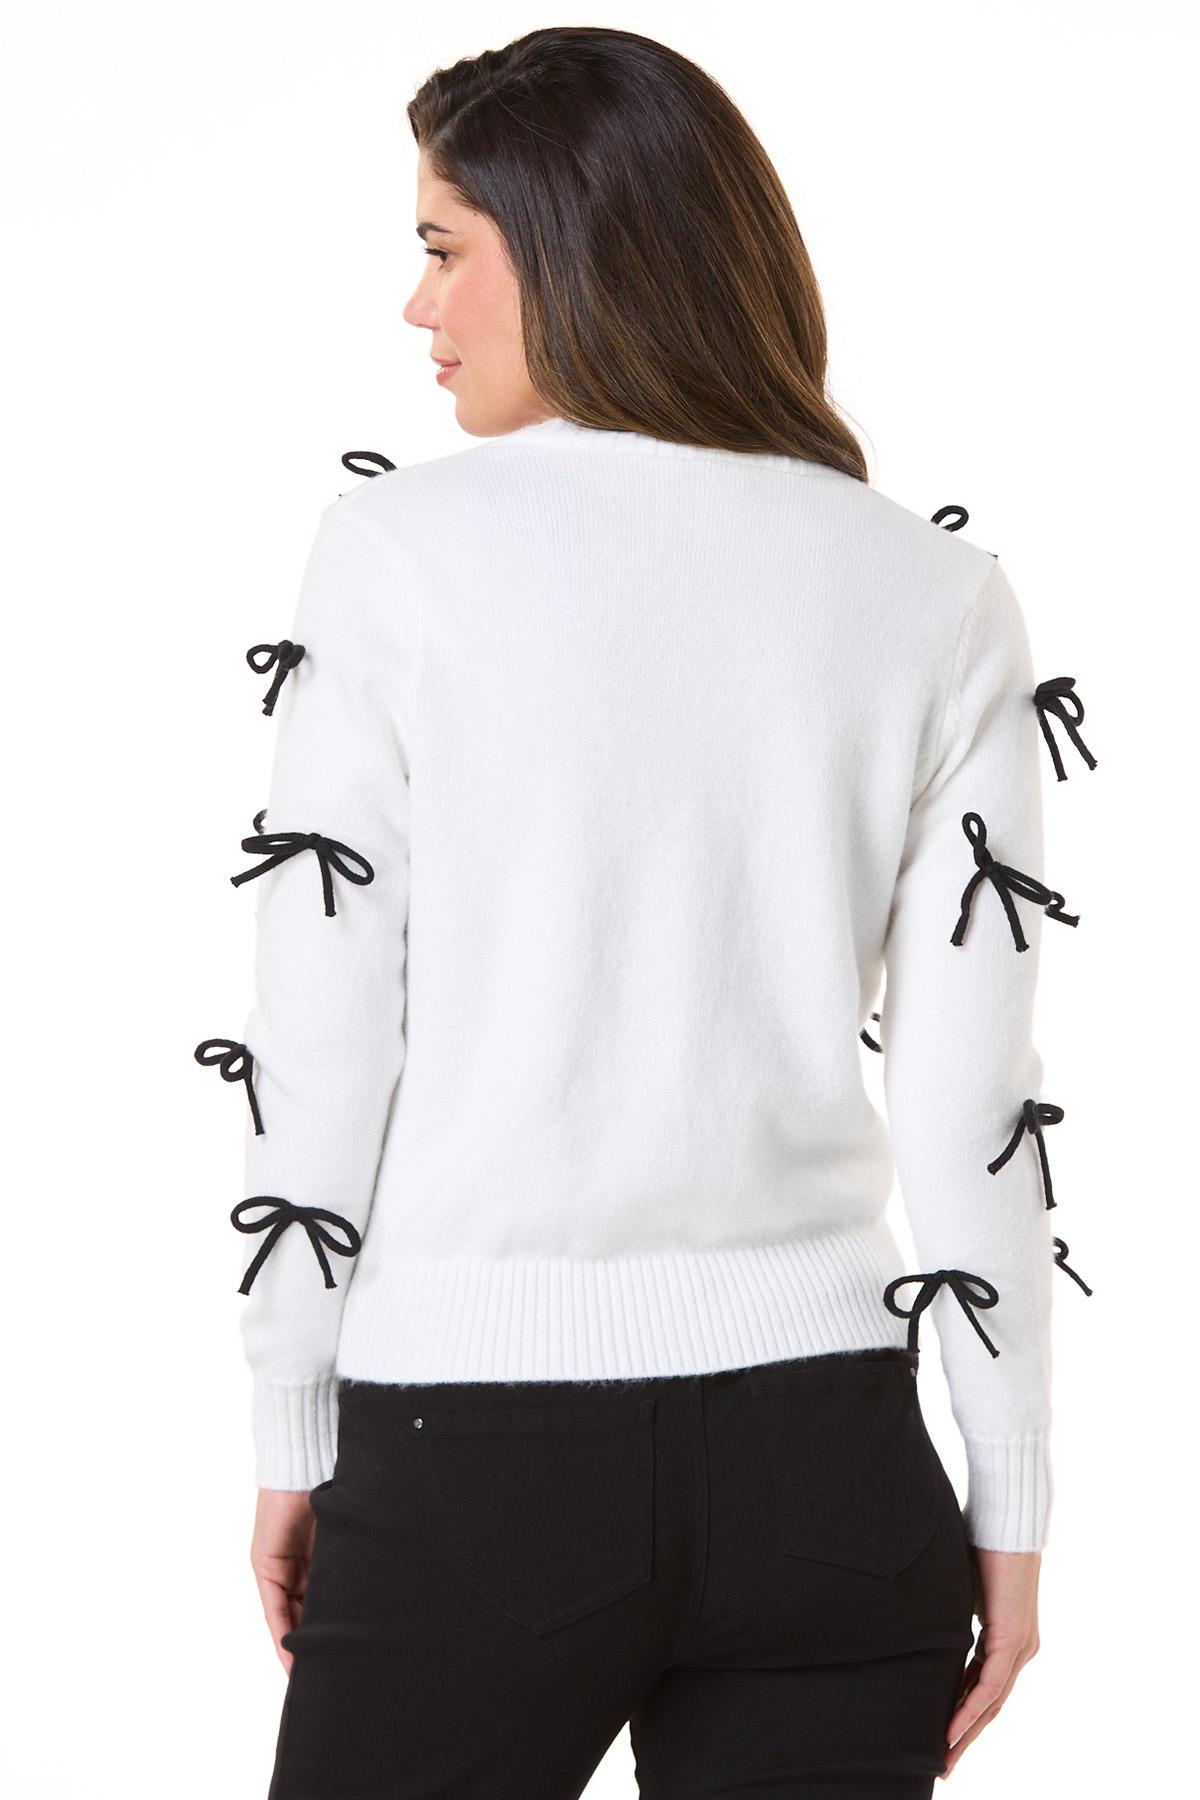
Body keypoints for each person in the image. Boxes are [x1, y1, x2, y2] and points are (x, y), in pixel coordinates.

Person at [207, 25, 1095, 1799]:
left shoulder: (400, 552)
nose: (416, 306)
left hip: (471, 1461)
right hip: (835, 1480)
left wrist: (293, 1418)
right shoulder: (937, 594)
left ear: (572, 242)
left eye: (445, 247)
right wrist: (1009, 1497)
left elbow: (323, 1038)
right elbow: (970, 1110)